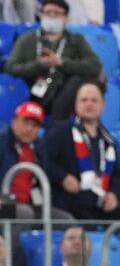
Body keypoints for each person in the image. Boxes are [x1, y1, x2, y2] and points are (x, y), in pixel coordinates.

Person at [6, 0, 103, 119]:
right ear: (41, 16)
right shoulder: (27, 40)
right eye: (47, 12)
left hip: (65, 92)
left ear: (66, 18)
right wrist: (38, 65)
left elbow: (94, 65)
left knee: (78, 81)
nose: (51, 16)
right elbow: (10, 67)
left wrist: (61, 63)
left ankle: (58, 125)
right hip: (33, 90)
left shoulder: (76, 40)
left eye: (56, 13)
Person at [43, 81, 118, 219]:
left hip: (101, 202)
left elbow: (117, 176)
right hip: (69, 202)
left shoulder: (109, 141)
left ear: (103, 107)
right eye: (84, 100)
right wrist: (63, 177)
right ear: (76, 105)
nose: (89, 104)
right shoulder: (59, 133)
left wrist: (114, 194)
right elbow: (44, 162)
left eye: (94, 100)